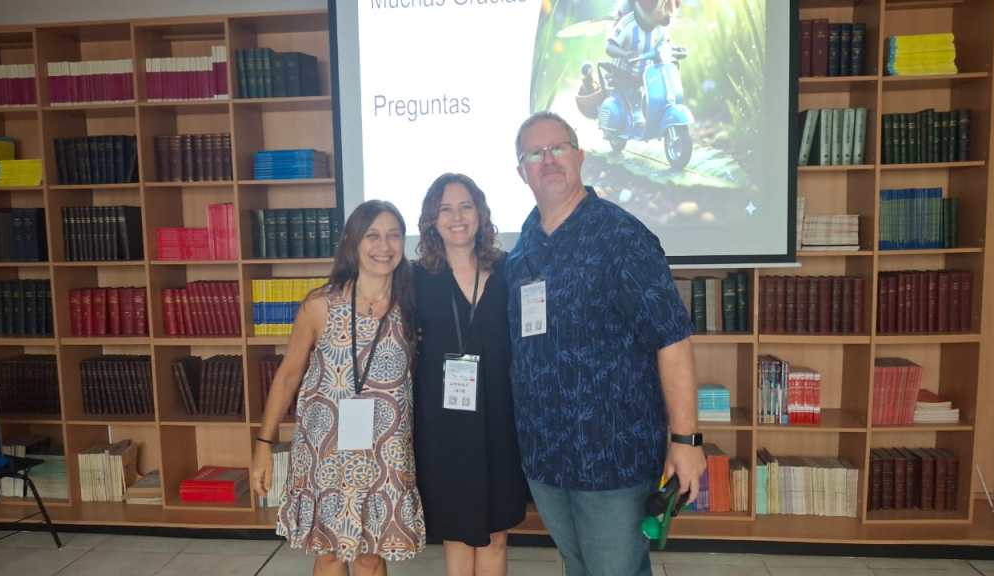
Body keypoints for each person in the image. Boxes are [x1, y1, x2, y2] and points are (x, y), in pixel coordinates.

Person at [505, 110, 705, 576]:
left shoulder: (622, 237)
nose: (548, 160)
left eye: (558, 148)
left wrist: (686, 440)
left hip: (613, 457)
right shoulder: (522, 250)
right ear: (521, 172)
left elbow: (672, 339)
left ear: (580, 156)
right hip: (546, 457)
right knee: (578, 565)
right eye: (535, 153)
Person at [250, 200, 425, 576]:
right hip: (326, 448)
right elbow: (288, 375)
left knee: (371, 554)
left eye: (394, 235)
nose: (384, 245)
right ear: (353, 242)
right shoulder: (320, 305)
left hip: (385, 451)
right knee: (329, 552)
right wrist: (264, 444)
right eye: (372, 235)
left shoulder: (412, 305)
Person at [412, 173, 527, 576]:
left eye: (465, 206)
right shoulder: (416, 278)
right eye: (445, 209)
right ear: (432, 219)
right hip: (444, 423)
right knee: (457, 532)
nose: (457, 217)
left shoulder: (509, 270)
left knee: (496, 533)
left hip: (500, 418)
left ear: (480, 213)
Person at [606, 0, 681, 129]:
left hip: (646, 73)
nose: (665, 12)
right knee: (634, 94)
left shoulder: (659, 25)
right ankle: (635, 112)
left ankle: (653, 115)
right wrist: (625, 54)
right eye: (661, 6)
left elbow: (664, 42)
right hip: (625, 73)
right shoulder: (629, 23)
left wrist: (674, 49)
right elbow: (609, 47)